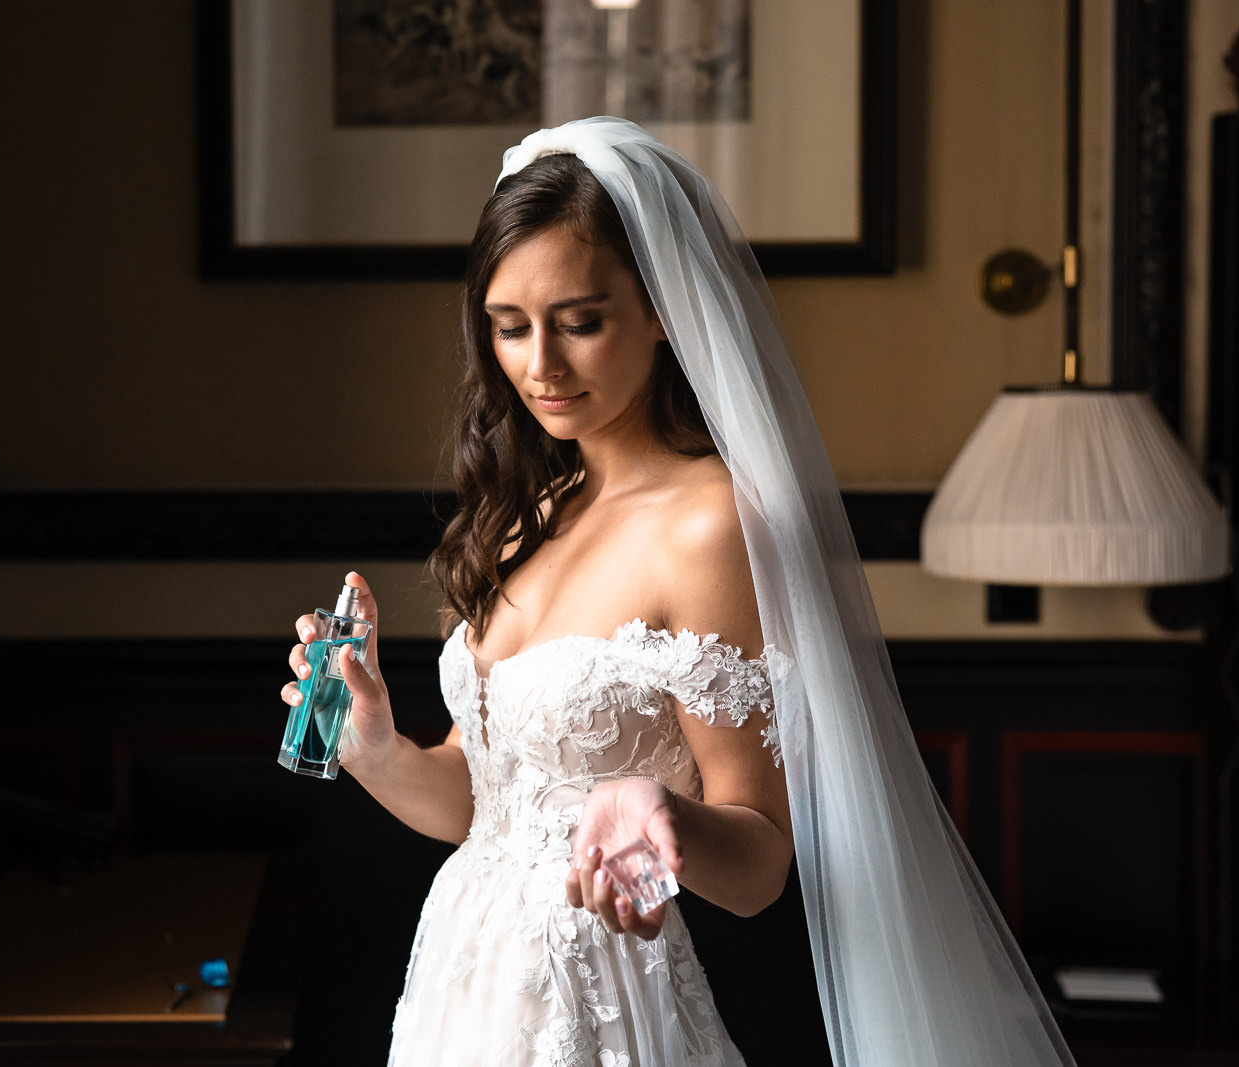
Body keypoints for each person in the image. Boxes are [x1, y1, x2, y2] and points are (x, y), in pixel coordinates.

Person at [282, 118, 1077, 1066]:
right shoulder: (515, 514)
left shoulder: (711, 526)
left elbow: (760, 867)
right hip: (462, 986)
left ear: (660, 306)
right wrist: (375, 748)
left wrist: (667, 814)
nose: (543, 364)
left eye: (581, 321)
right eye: (510, 326)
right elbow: (479, 806)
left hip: (604, 1002)